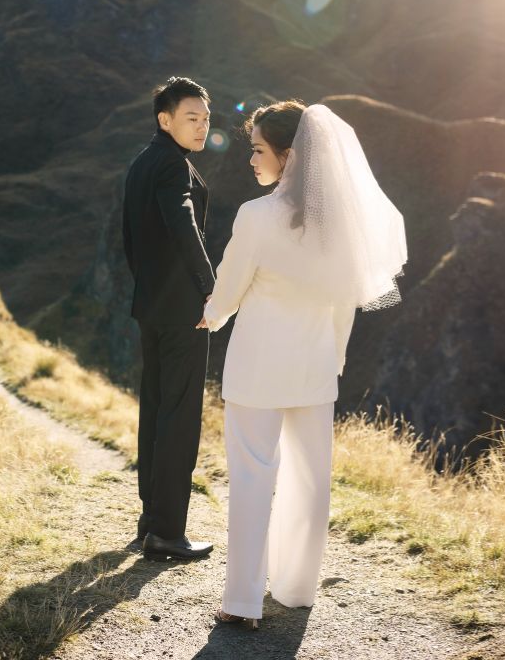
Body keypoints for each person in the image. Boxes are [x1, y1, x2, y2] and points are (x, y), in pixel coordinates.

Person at [198, 100, 407, 627]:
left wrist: (212, 316)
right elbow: (345, 305)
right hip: (315, 368)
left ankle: (242, 601)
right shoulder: (339, 227)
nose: (251, 160)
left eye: (258, 150)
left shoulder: (256, 216)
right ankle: (296, 589)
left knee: (251, 478)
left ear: (288, 156)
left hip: (258, 369)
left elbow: (231, 282)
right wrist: (333, 358)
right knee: (311, 481)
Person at [121, 76, 217, 560]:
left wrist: (150, 289)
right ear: (165, 120)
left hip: (151, 307)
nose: (201, 127)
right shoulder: (174, 167)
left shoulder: (142, 163)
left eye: (205, 118)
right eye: (190, 118)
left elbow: (130, 241)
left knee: (156, 412)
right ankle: (166, 531)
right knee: (179, 419)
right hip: (184, 313)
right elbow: (184, 226)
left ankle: (150, 518)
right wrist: (211, 290)